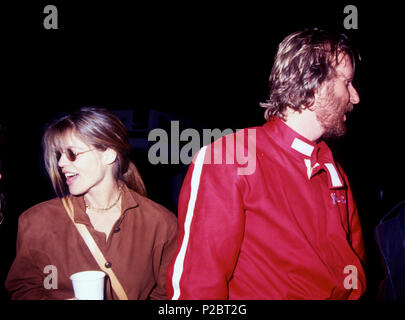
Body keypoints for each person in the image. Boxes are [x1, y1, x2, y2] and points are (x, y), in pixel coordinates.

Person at [166, 28, 366, 299]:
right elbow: (197, 285)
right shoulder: (232, 157)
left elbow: (353, 269)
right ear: (312, 81)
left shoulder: (333, 169)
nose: (355, 97)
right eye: (347, 83)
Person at [6, 107, 178, 299]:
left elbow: (166, 294)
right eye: (59, 155)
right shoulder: (35, 221)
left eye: (72, 153)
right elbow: (24, 287)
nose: (61, 163)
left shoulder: (161, 224)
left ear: (109, 155)